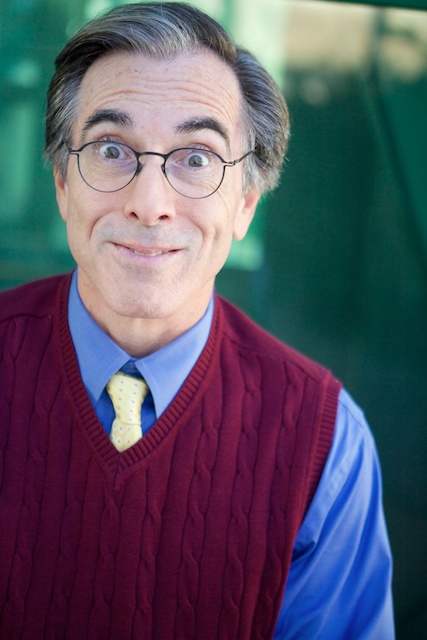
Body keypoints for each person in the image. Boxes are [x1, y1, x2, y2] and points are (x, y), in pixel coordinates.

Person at [0, 2, 394, 638]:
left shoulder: (326, 446)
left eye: (197, 158)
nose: (149, 203)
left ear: (245, 203)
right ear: (63, 183)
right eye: (111, 149)